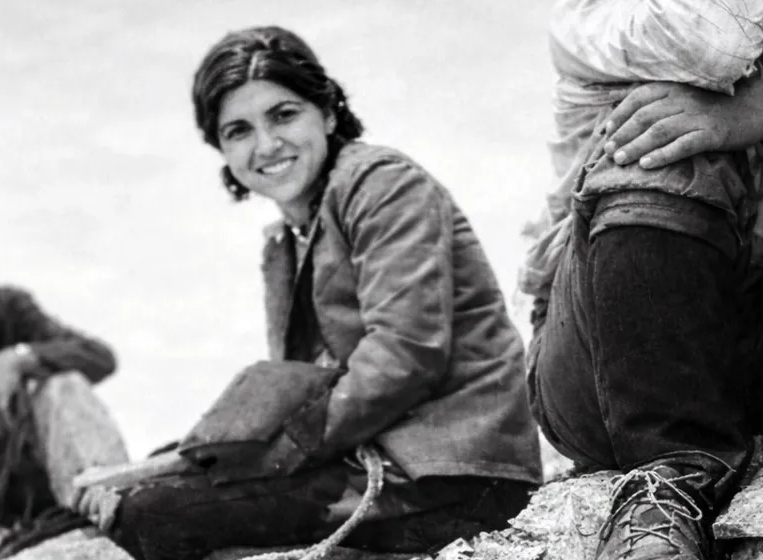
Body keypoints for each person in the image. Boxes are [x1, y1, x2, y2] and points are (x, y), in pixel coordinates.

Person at [89, 25, 542, 560]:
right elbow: (305, 382)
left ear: (327, 113)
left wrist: (284, 450)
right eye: (238, 130)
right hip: (373, 457)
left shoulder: (384, 186)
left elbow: (406, 351)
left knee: (154, 514)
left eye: (283, 115)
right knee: (170, 471)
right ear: (222, 150)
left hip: (454, 472)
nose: (266, 144)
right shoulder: (285, 242)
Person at [520, 1, 763, 559]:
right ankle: (666, 481)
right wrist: (749, 114)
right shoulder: (606, 13)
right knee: (671, 129)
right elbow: (708, 42)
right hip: (612, 355)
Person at [0, 187, 128, 530]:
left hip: (29, 485)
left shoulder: (8, 309)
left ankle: (111, 505)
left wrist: (17, 358)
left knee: (63, 384)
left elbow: (99, 357)